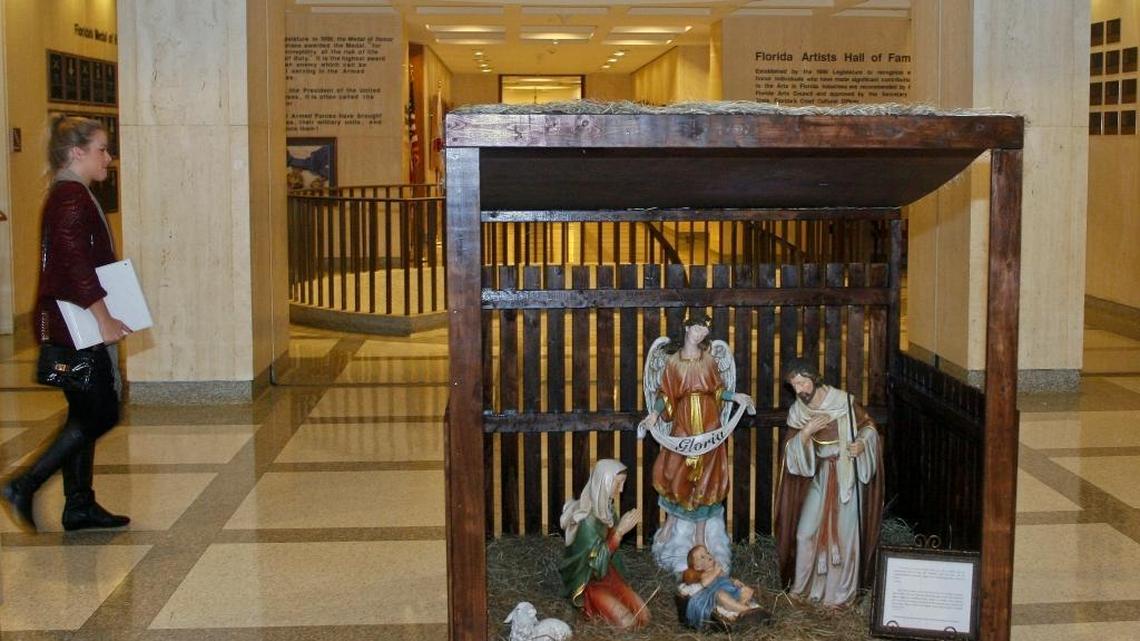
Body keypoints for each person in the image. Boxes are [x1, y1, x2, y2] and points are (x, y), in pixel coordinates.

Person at [1, 116, 133, 532]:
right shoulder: (71, 198)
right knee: (101, 413)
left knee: (83, 410)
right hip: (78, 323)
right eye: (101, 149)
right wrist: (104, 317)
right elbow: (74, 265)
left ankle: (79, 505)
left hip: (72, 320)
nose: (108, 158)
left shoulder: (70, 194)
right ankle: (24, 483)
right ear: (77, 153)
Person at [639, 312, 753, 572]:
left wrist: (736, 397)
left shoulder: (710, 360)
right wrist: (655, 413)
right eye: (697, 328)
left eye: (705, 331)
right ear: (688, 328)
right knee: (675, 470)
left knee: (708, 476)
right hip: (684, 424)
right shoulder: (673, 362)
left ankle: (700, 534)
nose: (701, 333)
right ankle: (670, 520)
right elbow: (667, 395)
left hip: (709, 422)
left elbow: (717, 391)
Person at [774, 358, 883, 607]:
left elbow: (869, 427)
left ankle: (838, 597)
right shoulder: (799, 412)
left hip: (846, 478)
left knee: (845, 539)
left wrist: (862, 444)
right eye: (794, 386)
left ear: (814, 378)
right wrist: (806, 432)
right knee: (804, 534)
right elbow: (791, 452)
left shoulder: (844, 402)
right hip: (821, 476)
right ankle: (801, 591)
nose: (798, 390)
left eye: (801, 383)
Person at [559, 459, 649, 629]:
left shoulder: (607, 510)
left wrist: (617, 531)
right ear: (605, 482)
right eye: (618, 483)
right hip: (590, 583)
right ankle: (591, 607)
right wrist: (619, 533)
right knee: (627, 623)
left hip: (609, 574)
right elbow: (595, 567)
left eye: (623, 484)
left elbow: (608, 559)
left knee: (644, 616)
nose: (621, 490)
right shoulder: (587, 522)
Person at [679, 544, 761, 629]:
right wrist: (715, 572)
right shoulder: (704, 574)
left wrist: (734, 581)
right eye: (702, 557)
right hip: (716, 592)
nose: (708, 556)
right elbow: (705, 583)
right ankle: (747, 610)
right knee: (721, 595)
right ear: (697, 567)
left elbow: (727, 578)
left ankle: (737, 609)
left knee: (747, 590)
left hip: (731, 590)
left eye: (707, 552)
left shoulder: (718, 569)